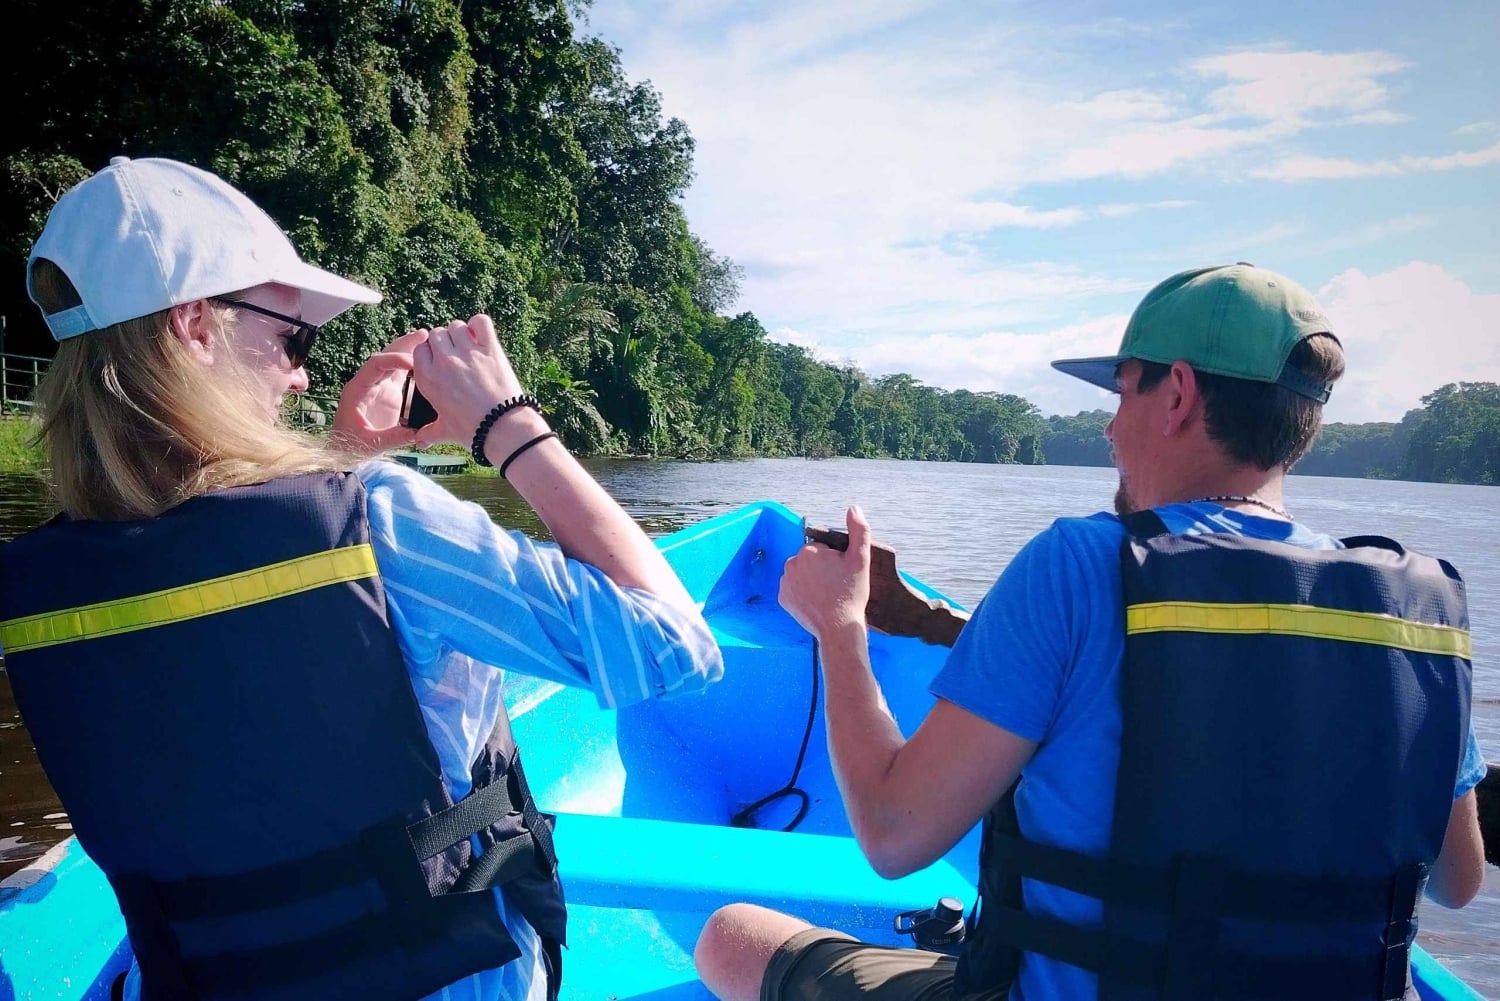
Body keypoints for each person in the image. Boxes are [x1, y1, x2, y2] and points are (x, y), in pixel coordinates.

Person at [0, 156, 723, 1001]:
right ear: (195, 325)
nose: (302, 373)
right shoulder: (383, 522)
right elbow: (675, 647)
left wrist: (339, 459)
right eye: (291, 337)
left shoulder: (34, 579)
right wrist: (509, 426)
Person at [693, 264, 1486, 1001]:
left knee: (732, 937)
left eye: (1122, 391)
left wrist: (839, 627)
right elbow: (1459, 879)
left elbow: (893, 835)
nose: (1109, 428)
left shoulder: (1076, 566)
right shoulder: (1413, 613)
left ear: (1177, 394)